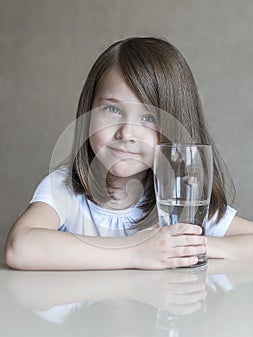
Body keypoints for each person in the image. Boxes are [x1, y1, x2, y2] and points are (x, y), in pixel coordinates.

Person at [5, 36, 253, 270]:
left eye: (148, 118)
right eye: (113, 109)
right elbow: (20, 248)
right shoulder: (65, 189)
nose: (127, 133)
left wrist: (182, 247)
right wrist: (137, 251)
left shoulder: (179, 202)